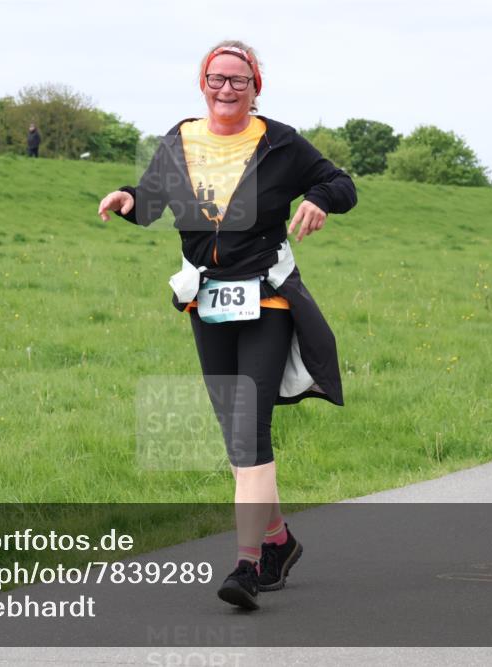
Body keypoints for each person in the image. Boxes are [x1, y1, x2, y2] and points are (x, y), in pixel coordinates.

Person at [97, 40, 357, 610]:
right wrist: (127, 198)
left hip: (267, 297)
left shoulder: (279, 142)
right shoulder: (180, 139)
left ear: (256, 87)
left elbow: (343, 184)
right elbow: (152, 201)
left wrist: (319, 198)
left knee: (249, 430)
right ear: (203, 83)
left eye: (239, 80)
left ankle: (247, 564)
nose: (227, 89)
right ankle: (278, 541)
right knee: (234, 434)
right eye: (217, 78)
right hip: (207, 300)